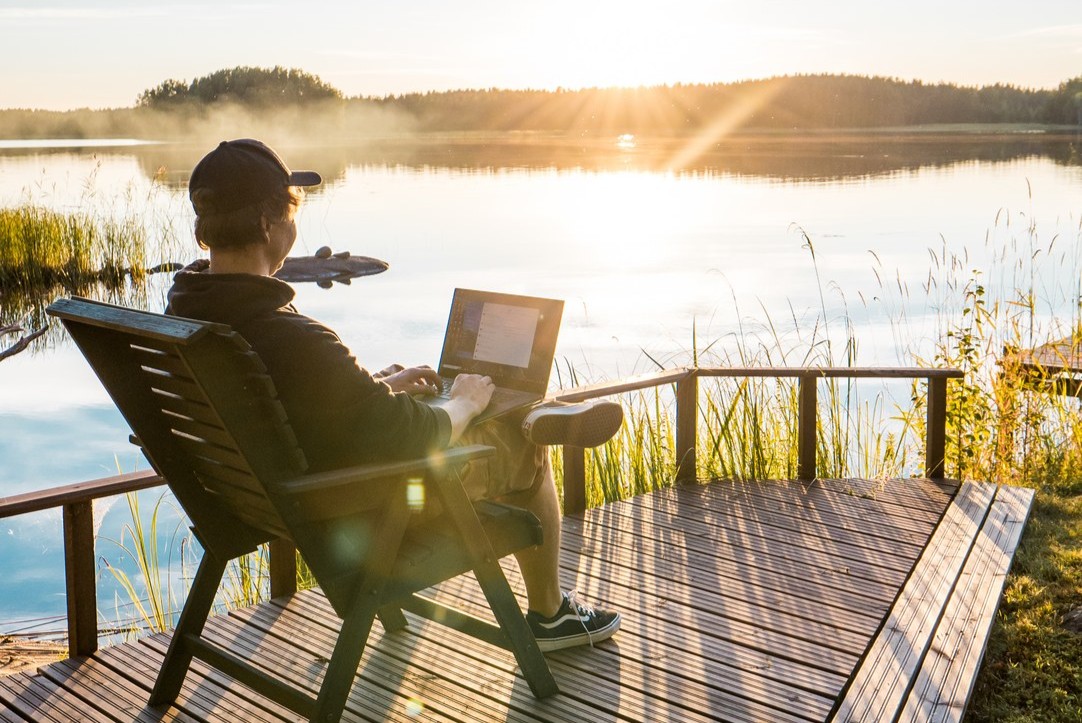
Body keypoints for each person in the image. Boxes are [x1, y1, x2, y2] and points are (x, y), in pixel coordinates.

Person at [166, 138, 622, 651]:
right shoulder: (285, 332)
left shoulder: (186, 313)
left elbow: (291, 400)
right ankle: (550, 613)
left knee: (456, 406)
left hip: (255, 498)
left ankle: (536, 414)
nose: (295, 226)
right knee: (523, 447)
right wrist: (466, 401)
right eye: (292, 211)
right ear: (270, 225)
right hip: (360, 506)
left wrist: (377, 387)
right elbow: (411, 434)